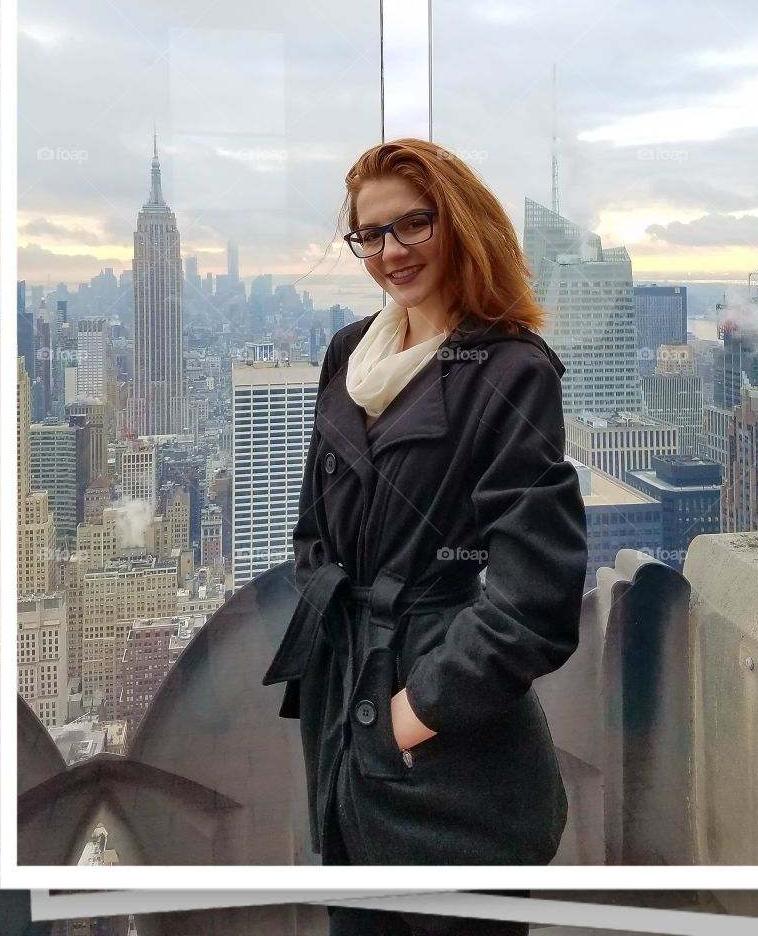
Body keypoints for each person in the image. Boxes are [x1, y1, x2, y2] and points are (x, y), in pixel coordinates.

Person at [263, 138, 588, 933]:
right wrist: (347, 676)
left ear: (461, 224)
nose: (390, 252)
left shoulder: (510, 371)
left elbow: (536, 597)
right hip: (342, 724)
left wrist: (411, 712)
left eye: (413, 226)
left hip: (449, 754)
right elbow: (313, 531)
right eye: (370, 234)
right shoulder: (349, 352)